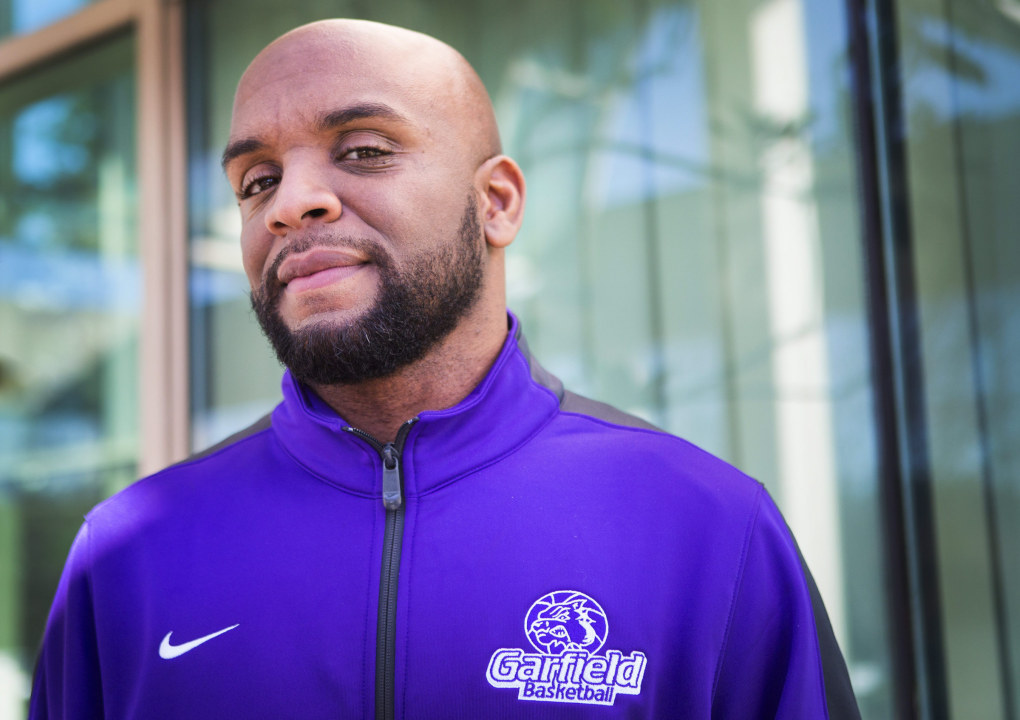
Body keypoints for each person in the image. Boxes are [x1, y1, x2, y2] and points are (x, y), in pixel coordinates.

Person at [30, 19, 861, 719]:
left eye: (361, 149)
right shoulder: (126, 556)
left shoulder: (708, 528)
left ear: (495, 203)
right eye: (257, 181)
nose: (290, 202)